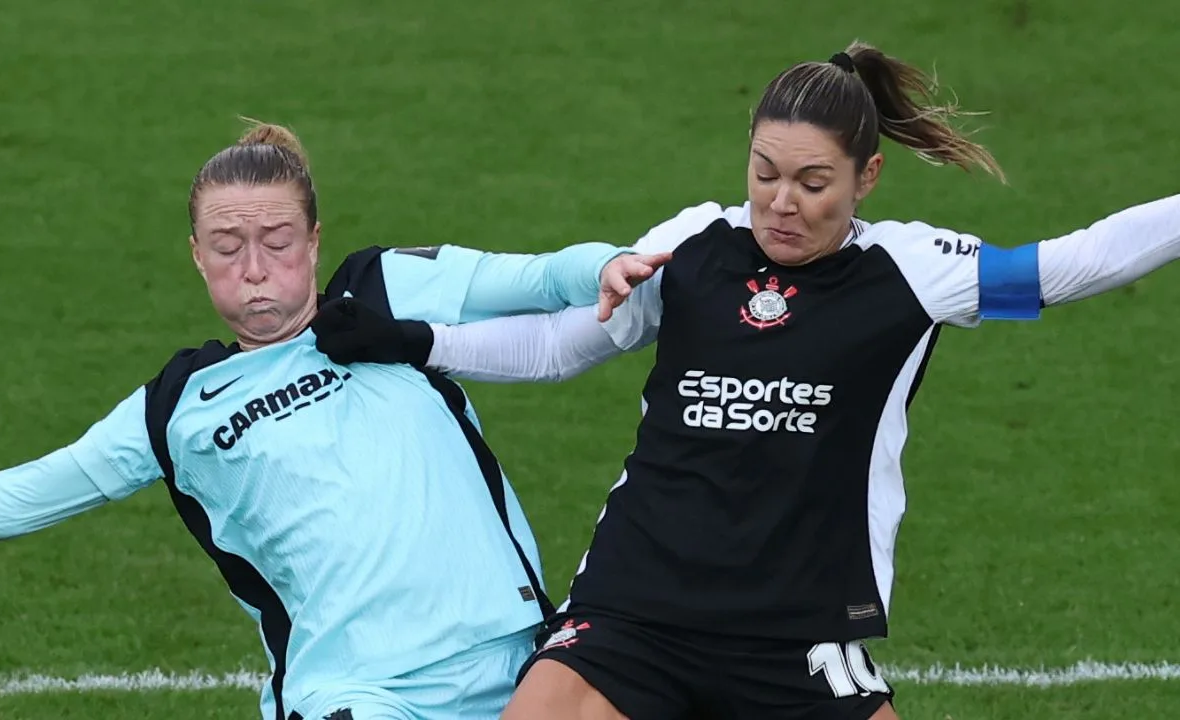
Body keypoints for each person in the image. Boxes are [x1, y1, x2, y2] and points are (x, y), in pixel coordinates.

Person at [315, 42, 1180, 720]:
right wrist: (412, 339)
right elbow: (560, 347)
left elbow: (1072, 265)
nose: (781, 203)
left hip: (794, 632)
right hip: (636, 610)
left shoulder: (911, 270)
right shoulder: (695, 244)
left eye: (813, 183)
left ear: (865, 178)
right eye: (765, 173)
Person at [0, 122, 670, 720]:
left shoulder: (382, 291)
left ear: (312, 241)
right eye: (228, 248)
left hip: (520, 663)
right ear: (197, 257)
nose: (256, 269)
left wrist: (604, 263)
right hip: (359, 692)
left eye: (276, 242)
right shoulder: (175, 408)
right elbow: (18, 497)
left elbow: (535, 276)